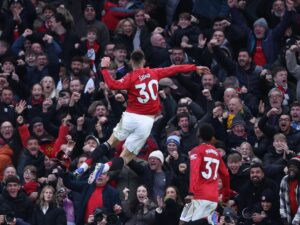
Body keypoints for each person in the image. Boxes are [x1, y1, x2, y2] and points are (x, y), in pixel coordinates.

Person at [75, 50, 210, 183]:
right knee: (126, 157)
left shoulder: (130, 77)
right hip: (146, 121)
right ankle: (104, 167)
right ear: (144, 61)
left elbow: (112, 85)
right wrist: (194, 67)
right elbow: (174, 69)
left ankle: (85, 165)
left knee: (109, 143)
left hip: (130, 117)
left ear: (131, 62)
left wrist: (104, 68)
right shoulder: (154, 72)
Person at [179, 123, 230, 225]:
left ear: (198, 135)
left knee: (183, 221)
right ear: (212, 137)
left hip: (198, 196)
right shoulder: (216, 153)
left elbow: (194, 171)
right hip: (213, 198)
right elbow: (225, 174)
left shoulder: (196, 151)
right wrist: (226, 195)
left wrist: (191, 193)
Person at [279, 156, 300, 225]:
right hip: (290, 215)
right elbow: (281, 199)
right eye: (290, 167)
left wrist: (295, 222)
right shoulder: (284, 179)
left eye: (295, 167)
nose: (292, 169)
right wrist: (284, 217)